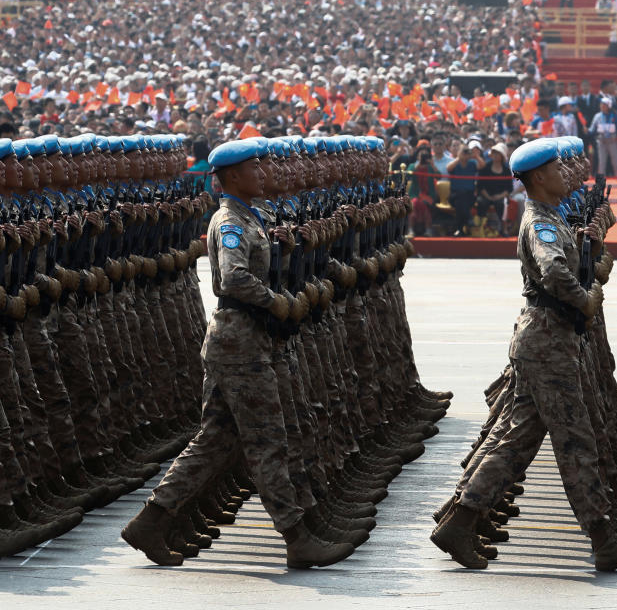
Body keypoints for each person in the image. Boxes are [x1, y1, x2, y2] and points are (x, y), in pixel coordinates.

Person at [121, 139, 354, 569]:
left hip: (244, 340)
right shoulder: (229, 221)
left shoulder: (249, 217)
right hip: (239, 343)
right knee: (267, 440)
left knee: (215, 440)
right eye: (253, 168)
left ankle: (150, 521)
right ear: (231, 177)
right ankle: (296, 536)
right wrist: (276, 302)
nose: (262, 173)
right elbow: (233, 279)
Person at [429, 137, 617, 571]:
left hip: (548, 339)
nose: (564, 174)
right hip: (548, 341)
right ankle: (603, 536)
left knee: (517, 439)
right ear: (538, 177)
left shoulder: (550, 217)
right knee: (576, 440)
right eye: (555, 169)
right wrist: (586, 297)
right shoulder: (541, 223)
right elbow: (553, 270)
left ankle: (460, 521)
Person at [589, 98, 617, 191]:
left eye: (604, 105)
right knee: (602, 164)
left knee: (616, 163)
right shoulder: (597, 116)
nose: (602, 106)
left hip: (612, 142)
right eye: (601, 104)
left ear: (608, 106)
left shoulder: (614, 116)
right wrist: (587, 131)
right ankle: (600, 185)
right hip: (601, 142)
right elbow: (592, 129)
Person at [477, 143, 513, 235]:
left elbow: (509, 189)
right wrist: (488, 196)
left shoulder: (506, 170)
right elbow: (480, 185)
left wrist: (499, 196)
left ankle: (503, 228)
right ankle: (480, 227)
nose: (496, 155)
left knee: (502, 203)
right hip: (486, 194)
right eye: (494, 153)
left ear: (502, 156)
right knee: (481, 202)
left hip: (500, 196)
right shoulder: (485, 167)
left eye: (498, 153)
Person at [408, 145, 441, 236]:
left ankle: (427, 229)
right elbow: (408, 176)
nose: (422, 157)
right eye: (421, 155)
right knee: (415, 203)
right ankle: (411, 229)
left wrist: (433, 165)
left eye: (425, 155)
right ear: (417, 156)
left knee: (423, 203)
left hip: (428, 195)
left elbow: (439, 177)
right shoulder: (412, 166)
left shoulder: (430, 167)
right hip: (415, 194)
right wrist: (418, 165)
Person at [446, 146, 479, 236]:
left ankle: (459, 229)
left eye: (466, 153)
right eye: (463, 152)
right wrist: (459, 157)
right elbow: (448, 168)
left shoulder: (472, 163)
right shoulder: (455, 163)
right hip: (455, 194)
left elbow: (482, 166)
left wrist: (476, 156)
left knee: (460, 203)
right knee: (461, 198)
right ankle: (469, 219)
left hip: (469, 196)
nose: (465, 155)